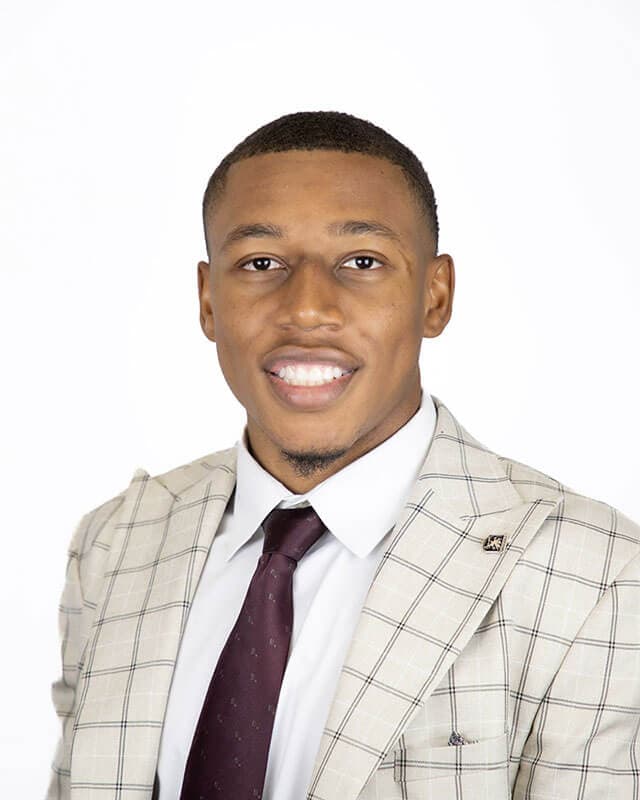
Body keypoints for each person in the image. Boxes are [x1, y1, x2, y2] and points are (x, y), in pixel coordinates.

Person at [47, 111, 640, 800]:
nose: (306, 308)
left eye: (362, 262)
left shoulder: (596, 576)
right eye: (260, 263)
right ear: (208, 300)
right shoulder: (116, 543)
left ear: (435, 297)